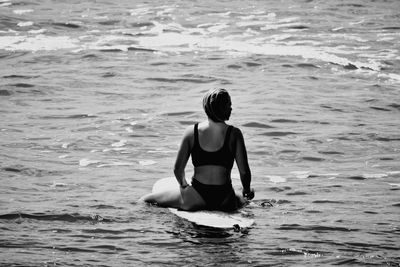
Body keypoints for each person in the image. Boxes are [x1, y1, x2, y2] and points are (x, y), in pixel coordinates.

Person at [142, 88, 254, 211]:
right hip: (225, 197)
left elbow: (178, 169)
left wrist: (184, 186)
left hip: (196, 196)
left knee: (145, 200)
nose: (231, 109)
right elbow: (244, 172)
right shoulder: (235, 134)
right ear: (221, 108)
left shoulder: (192, 132)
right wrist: (247, 191)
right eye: (229, 105)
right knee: (242, 200)